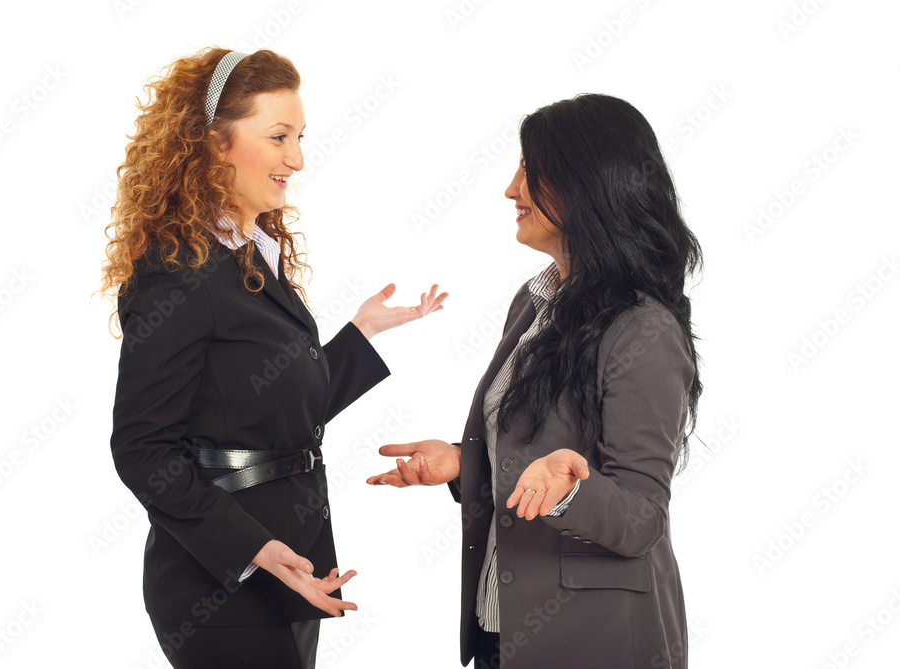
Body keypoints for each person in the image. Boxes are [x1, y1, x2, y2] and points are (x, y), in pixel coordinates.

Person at [101, 47, 446, 669]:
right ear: (214, 145)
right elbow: (141, 450)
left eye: (301, 137)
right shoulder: (177, 271)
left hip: (284, 567)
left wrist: (360, 335)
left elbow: (268, 411)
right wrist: (253, 548)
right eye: (279, 136)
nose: (298, 158)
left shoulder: (250, 255)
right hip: (220, 584)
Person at [368, 94, 703, 669]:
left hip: (593, 643)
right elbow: (527, 455)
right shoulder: (536, 300)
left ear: (585, 182)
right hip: (505, 631)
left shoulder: (643, 328)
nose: (510, 188)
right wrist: (461, 461)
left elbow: (642, 516)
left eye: (529, 169)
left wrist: (574, 487)